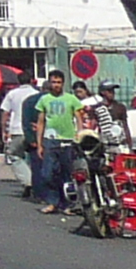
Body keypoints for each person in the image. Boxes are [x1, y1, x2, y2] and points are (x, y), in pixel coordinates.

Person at [34, 71, 82, 214]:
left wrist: (79, 135)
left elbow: (79, 118)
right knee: (47, 173)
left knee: (67, 174)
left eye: (59, 82)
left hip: (68, 140)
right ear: (49, 83)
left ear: (63, 83)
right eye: (54, 82)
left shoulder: (71, 99)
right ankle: (52, 201)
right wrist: (39, 143)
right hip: (50, 140)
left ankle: (67, 204)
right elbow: (41, 122)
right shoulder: (44, 99)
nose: (56, 85)